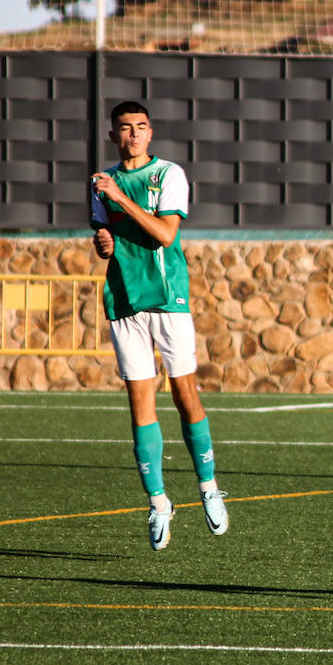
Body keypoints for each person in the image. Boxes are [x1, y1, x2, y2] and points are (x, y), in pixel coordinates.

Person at [91, 100, 227, 551]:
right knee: (139, 401)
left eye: (141, 127)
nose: (134, 134)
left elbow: (165, 235)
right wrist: (103, 242)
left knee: (185, 392)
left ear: (151, 133)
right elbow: (107, 239)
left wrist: (120, 199)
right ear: (113, 136)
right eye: (125, 128)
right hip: (124, 300)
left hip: (168, 299)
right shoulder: (101, 183)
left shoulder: (167, 175)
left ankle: (207, 487)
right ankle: (159, 502)